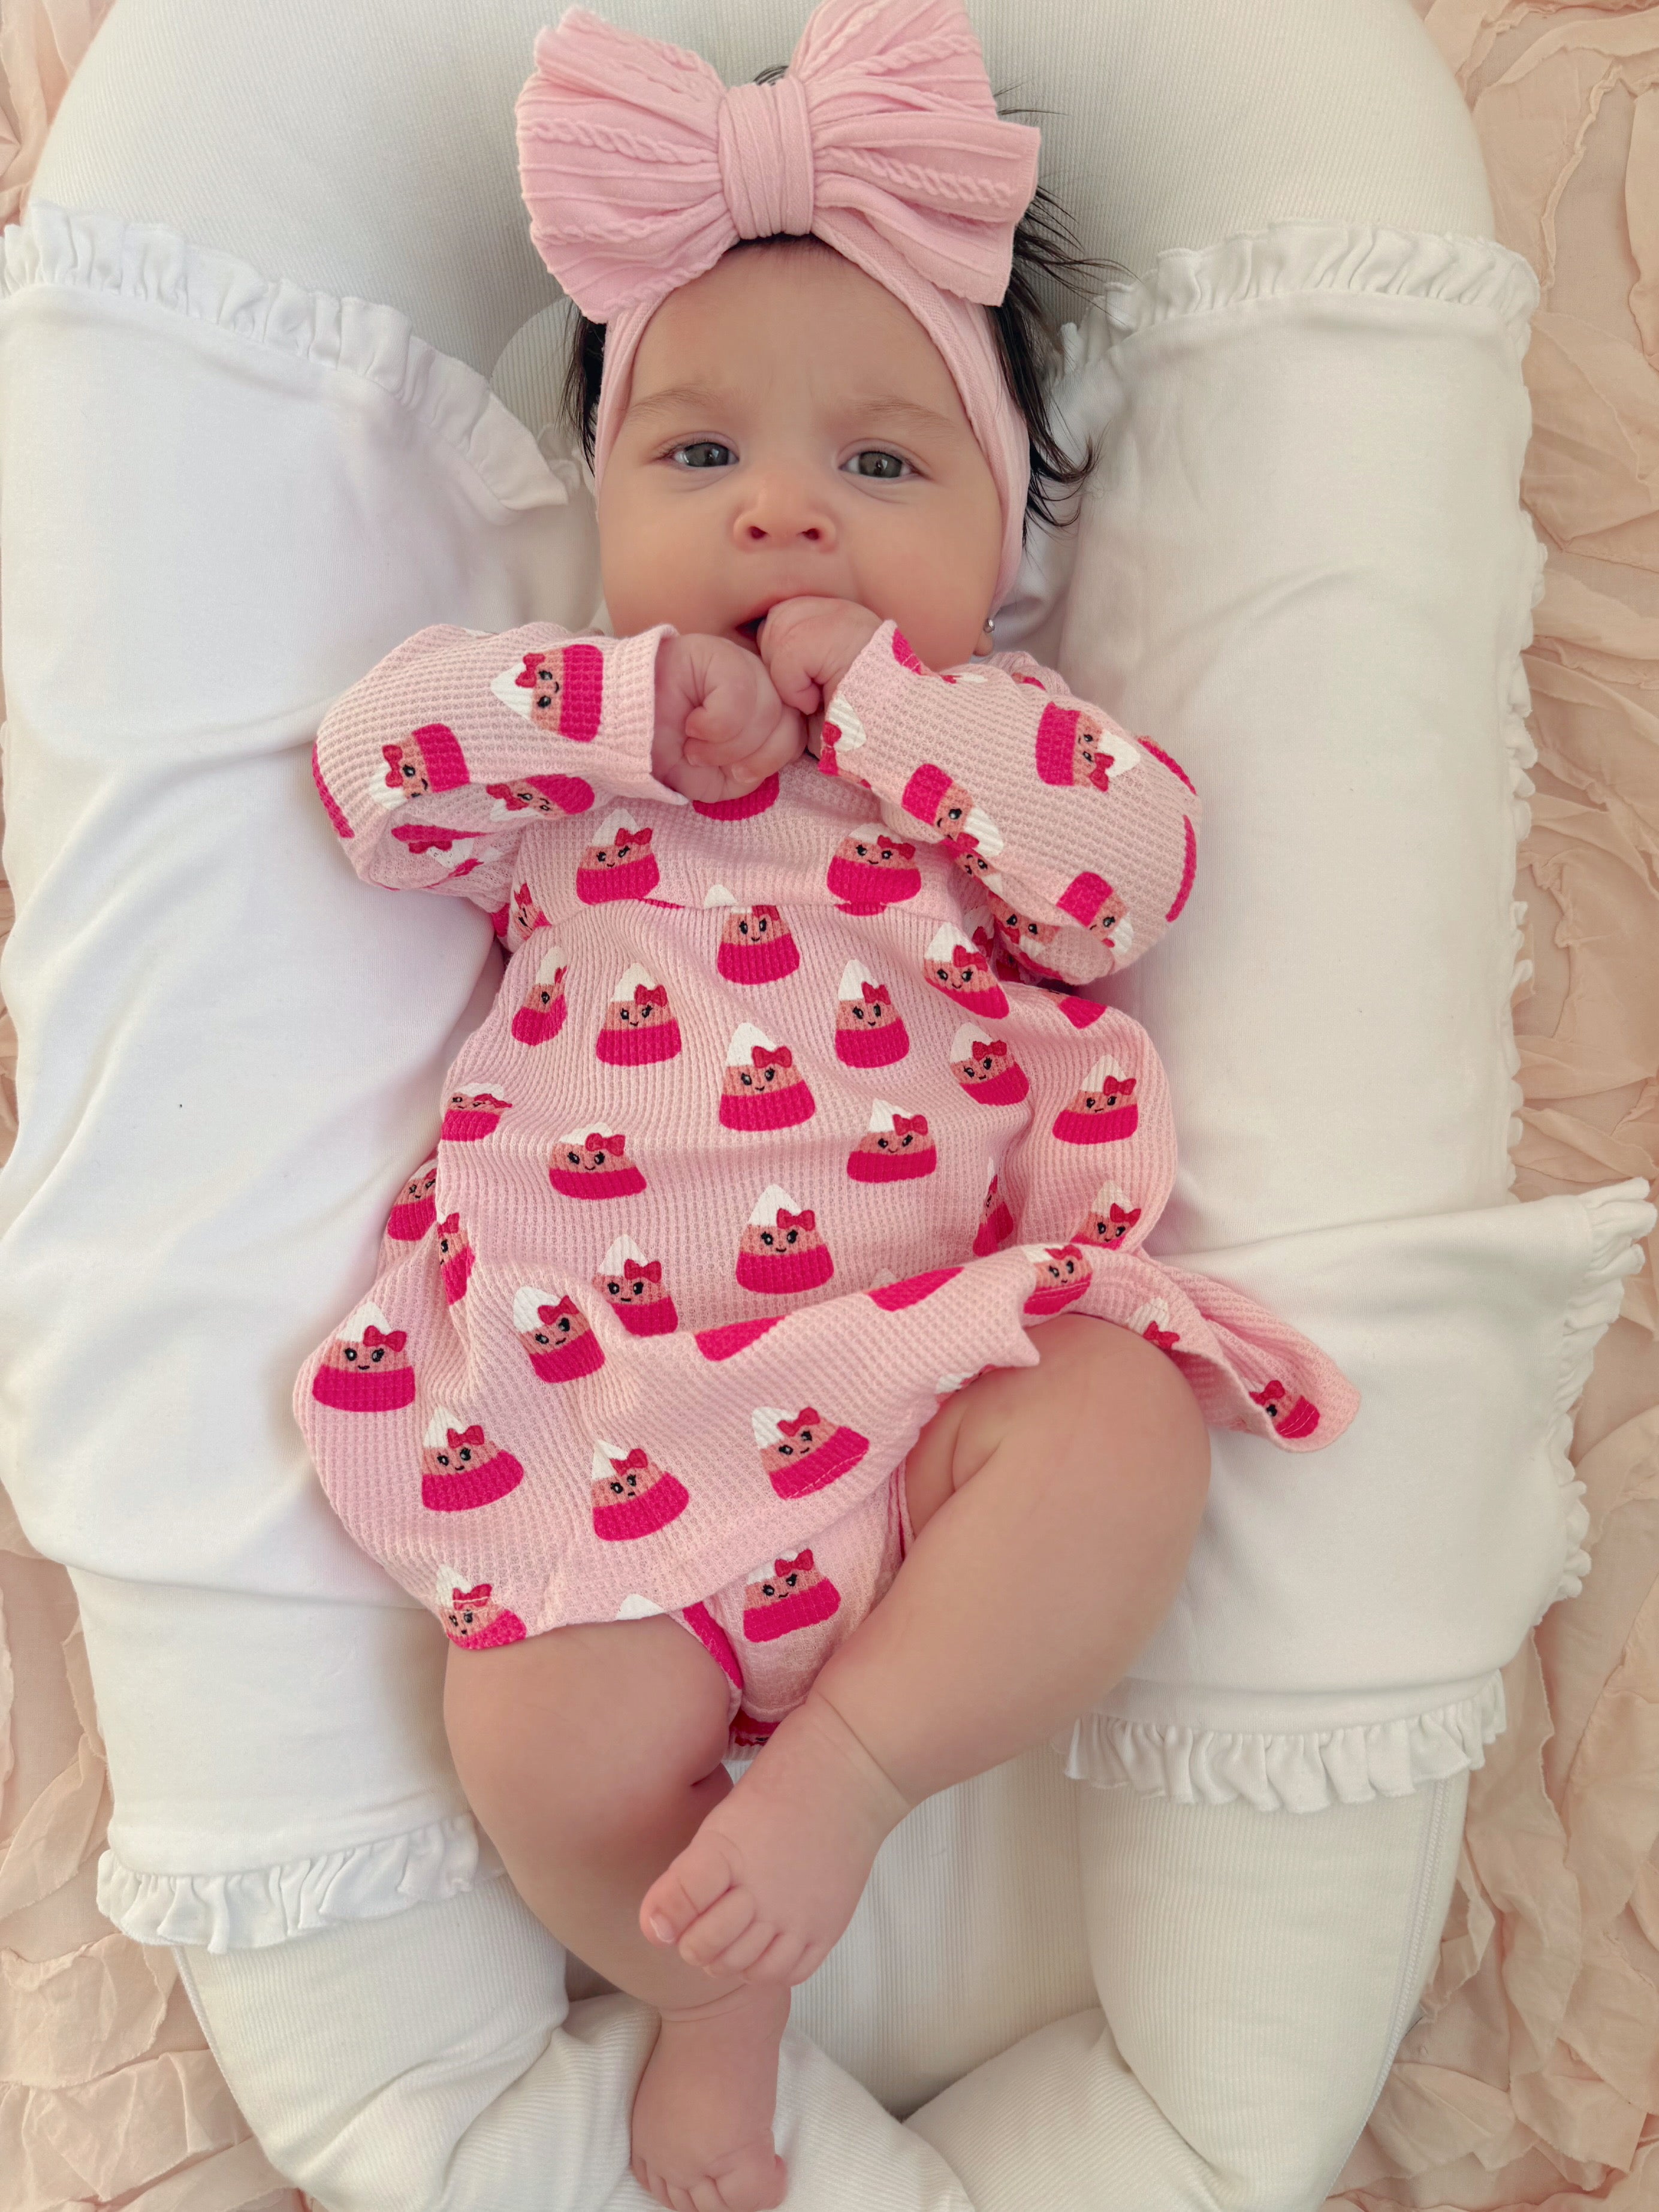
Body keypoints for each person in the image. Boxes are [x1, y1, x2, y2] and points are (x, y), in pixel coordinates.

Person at [294, 3, 1362, 2203]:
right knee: (528, 1736)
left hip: (918, 1384)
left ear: (999, 537)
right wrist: (607, 704)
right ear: (608, 512)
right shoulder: (574, 762)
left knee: (1129, 1425)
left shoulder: (985, 752)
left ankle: (848, 1774)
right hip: (609, 1408)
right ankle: (717, 1996)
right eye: (699, 458)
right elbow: (371, 775)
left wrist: (894, 708)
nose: (785, 510)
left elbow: (1135, 871)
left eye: (884, 470)